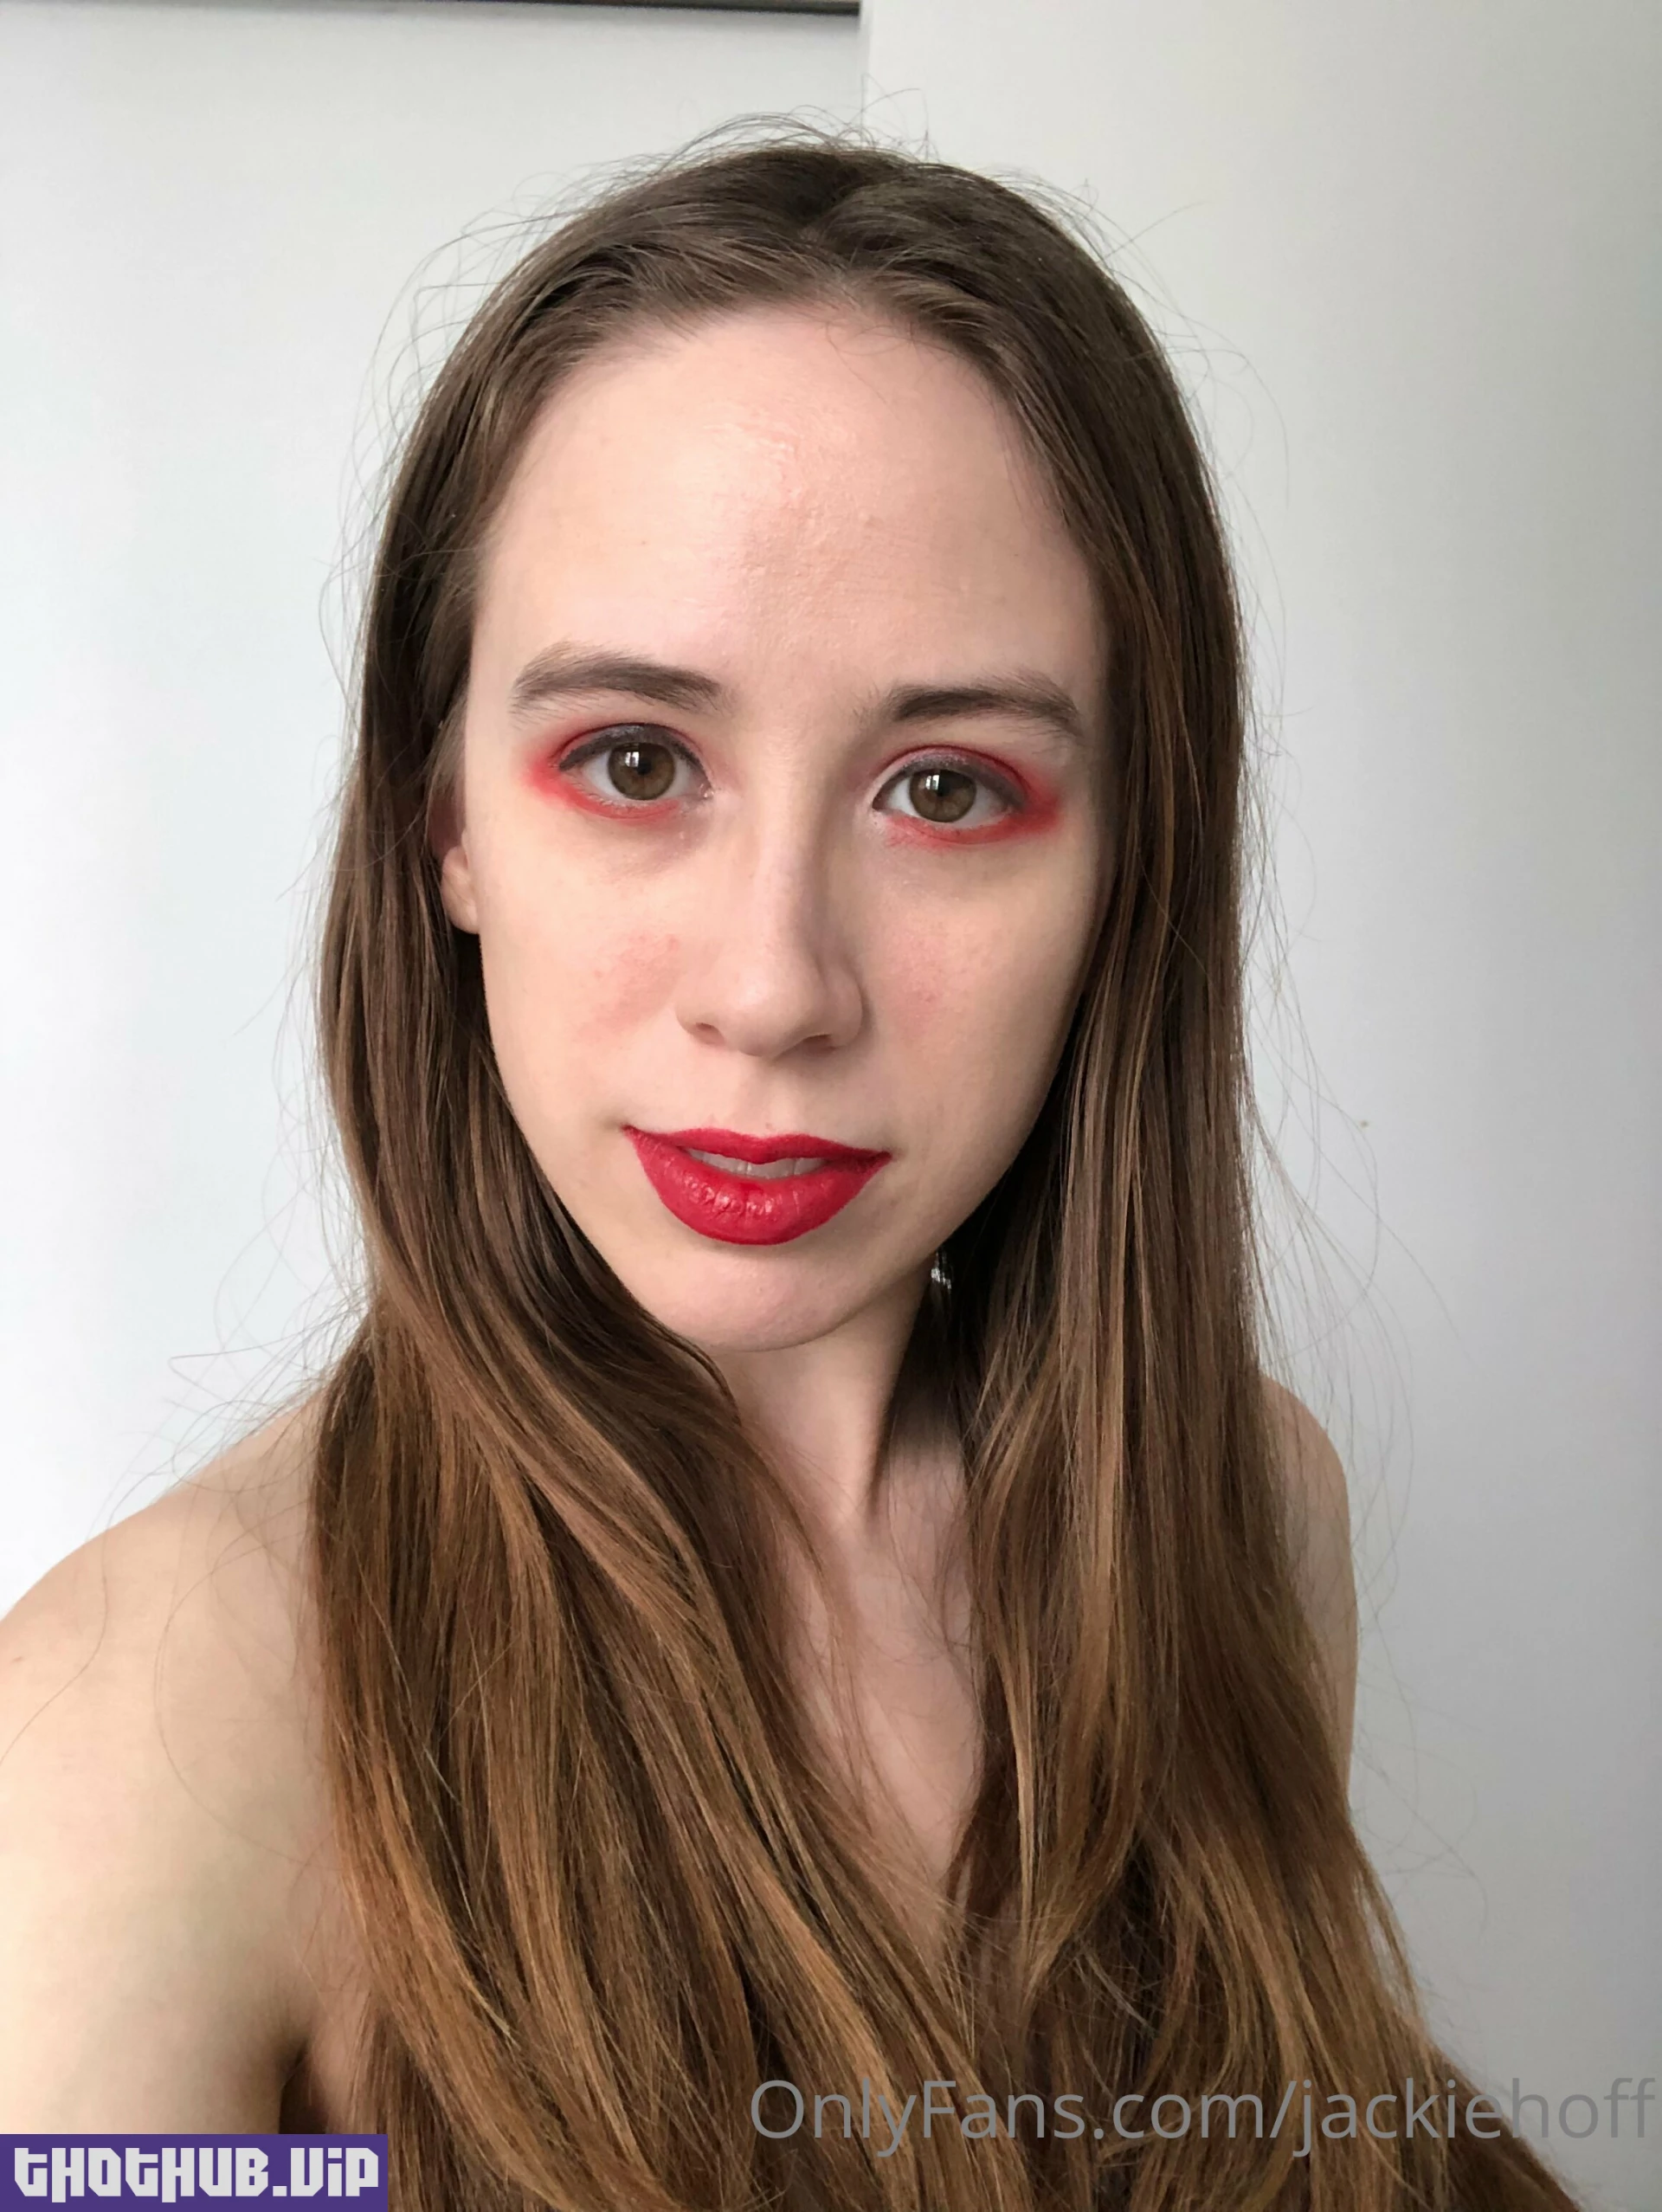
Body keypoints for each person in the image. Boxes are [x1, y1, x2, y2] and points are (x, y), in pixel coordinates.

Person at [0, 125, 1580, 2212]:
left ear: (1131, 866)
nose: (773, 989)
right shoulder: (150, 1719)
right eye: (634, 760)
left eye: (949, 789)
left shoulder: (1246, 1514)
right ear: (445, 822)